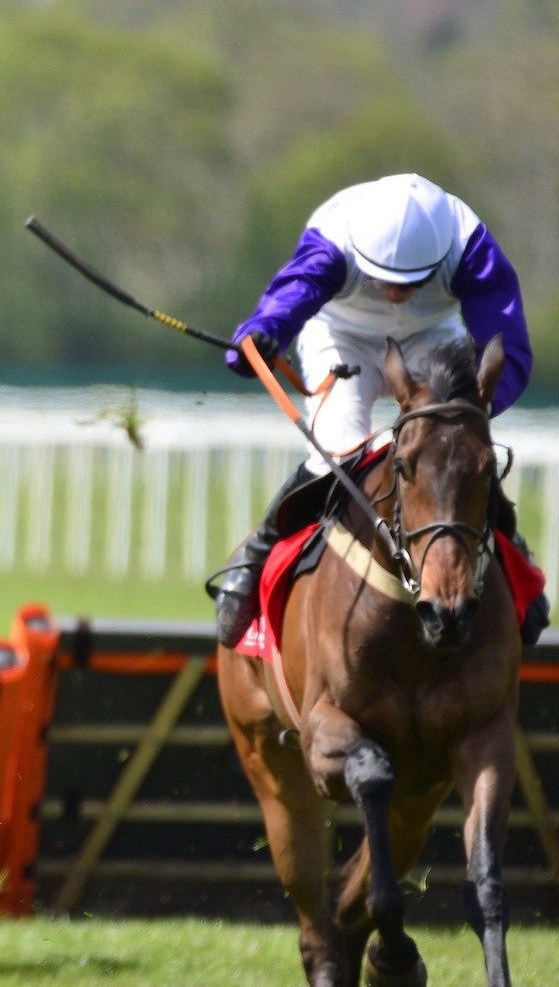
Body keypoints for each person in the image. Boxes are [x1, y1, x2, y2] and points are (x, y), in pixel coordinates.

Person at [208, 172, 541, 646]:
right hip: (344, 339)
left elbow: (509, 343)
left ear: (437, 259)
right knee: (339, 449)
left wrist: (474, 404)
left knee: (453, 453)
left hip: (433, 340)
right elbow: (294, 292)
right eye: (383, 279)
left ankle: (513, 555)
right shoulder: (335, 237)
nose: (393, 293)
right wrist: (265, 334)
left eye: (409, 283)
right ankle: (255, 555)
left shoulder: (468, 244)